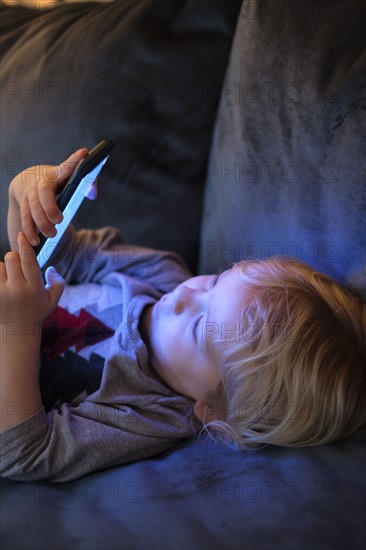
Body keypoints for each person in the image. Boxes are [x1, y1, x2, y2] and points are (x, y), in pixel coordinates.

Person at [0, 149, 365, 482]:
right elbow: (54, 254)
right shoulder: (162, 274)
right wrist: (28, 197)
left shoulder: (149, 414)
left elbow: (25, 452)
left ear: (212, 409)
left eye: (198, 328)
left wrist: (17, 328)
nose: (182, 296)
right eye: (214, 284)